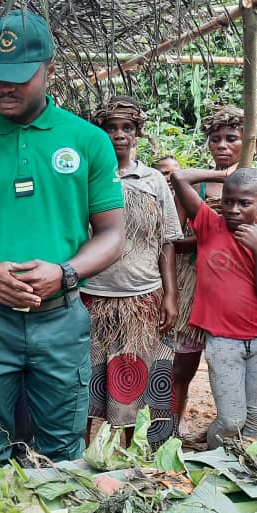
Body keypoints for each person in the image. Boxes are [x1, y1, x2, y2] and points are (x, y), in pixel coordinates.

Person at [0, 10, 125, 463]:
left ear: (50, 69)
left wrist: (65, 271)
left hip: (60, 320)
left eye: (19, 77)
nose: (4, 89)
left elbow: (113, 235)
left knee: (62, 453)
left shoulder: (88, 141)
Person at [170, 105, 257, 437]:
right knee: (230, 418)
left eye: (244, 203)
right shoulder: (210, 222)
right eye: (229, 201)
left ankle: (245, 476)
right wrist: (228, 176)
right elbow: (179, 178)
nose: (232, 208)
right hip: (221, 333)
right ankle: (213, 454)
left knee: (256, 422)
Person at [82, 96, 181, 447]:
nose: (119, 135)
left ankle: (128, 456)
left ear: (138, 132)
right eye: (111, 128)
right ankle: (80, 456)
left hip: (142, 297)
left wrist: (170, 294)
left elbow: (167, 240)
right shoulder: (89, 177)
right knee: (86, 385)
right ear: (100, 131)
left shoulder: (153, 180)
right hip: (93, 295)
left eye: (127, 128)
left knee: (132, 383)